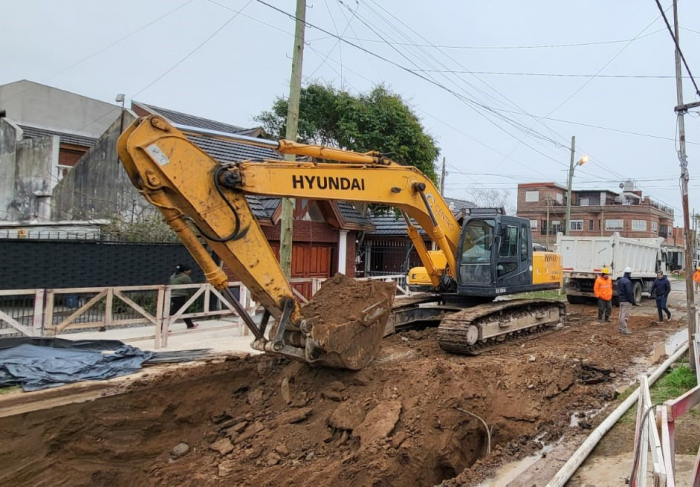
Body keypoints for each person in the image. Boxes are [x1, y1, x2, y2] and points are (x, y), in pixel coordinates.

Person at [169, 264, 198, 329]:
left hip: (173, 295)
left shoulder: (173, 276)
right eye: (189, 270)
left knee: (184, 310)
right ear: (185, 271)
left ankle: (190, 325)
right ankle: (163, 327)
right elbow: (191, 286)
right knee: (173, 311)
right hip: (180, 295)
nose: (190, 271)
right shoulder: (185, 277)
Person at [617, 266, 634, 335]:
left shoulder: (620, 280)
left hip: (621, 300)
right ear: (629, 273)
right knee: (624, 316)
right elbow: (629, 292)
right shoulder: (628, 282)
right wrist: (631, 300)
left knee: (621, 314)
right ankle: (624, 329)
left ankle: (621, 328)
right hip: (626, 301)